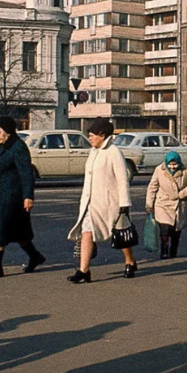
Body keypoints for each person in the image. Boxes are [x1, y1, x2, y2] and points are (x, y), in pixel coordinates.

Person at [66, 118, 134, 283]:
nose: (89, 138)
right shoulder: (94, 151)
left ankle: (130, 261)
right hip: (91, 203)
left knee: (120, 235)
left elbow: (122, 179)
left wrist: (124, 205)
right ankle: (83, 270)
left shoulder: (114, 152)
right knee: (87, 232)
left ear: (102, 135)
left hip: (110, 203)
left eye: (92, 135)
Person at [0, 116, 45, 279]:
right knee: (19, 233)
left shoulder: (18, 147)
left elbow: (26, 174)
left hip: (11, 197)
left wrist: (28, 196)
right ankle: (35, 256)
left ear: (8, 131)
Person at [146, 151, 187, 259]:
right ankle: (164, 249)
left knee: (176, 230)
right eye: (170, 164)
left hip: (179, 204)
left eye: (175, 164)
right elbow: (152, 187)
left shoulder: (185, 170)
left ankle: (173, 250)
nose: (172, 167)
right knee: (164, 228)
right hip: (163, 203)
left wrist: (181, 194)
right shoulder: (159, 170)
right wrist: (149, 204)